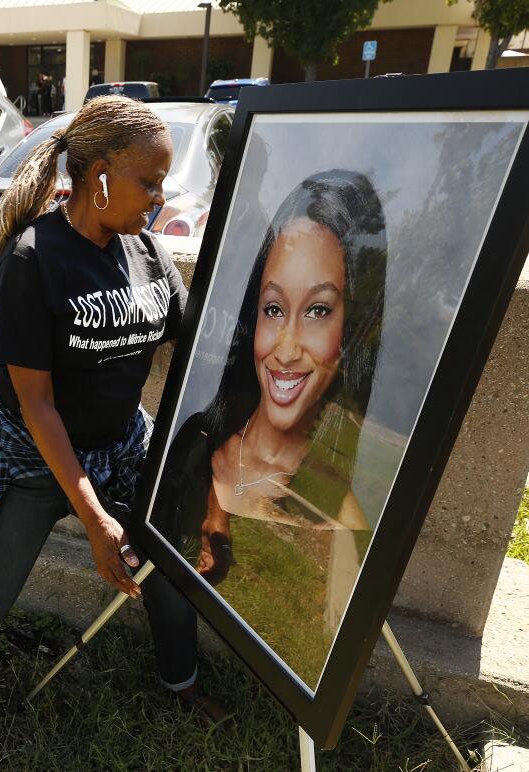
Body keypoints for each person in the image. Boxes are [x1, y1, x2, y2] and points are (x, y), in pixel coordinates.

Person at [0, 95, 225, 731]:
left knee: (170, 566)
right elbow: (36, 403)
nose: (158, 197)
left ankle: (180, 680)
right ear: (99, 177)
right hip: (35, 455)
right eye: (148, 181)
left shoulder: (146, 252)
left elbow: (192, 339)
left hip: (123, 444)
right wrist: (95, 519)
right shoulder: (34, 259)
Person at [159, 170, 387, 649]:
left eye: (319, 311)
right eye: (274, 309)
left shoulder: (338, 518)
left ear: (353, 327)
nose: (285, 349)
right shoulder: (202, 443)